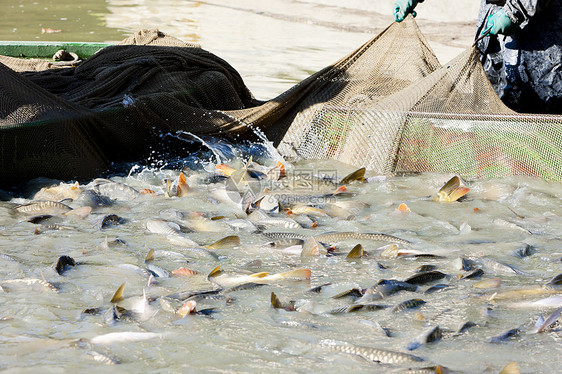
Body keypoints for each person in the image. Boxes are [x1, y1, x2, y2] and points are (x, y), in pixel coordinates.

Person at [392, 0, 562, 114]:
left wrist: (515, 10)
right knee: (494, 98)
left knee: (543, 104)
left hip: (540, 18)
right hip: (494, 12)